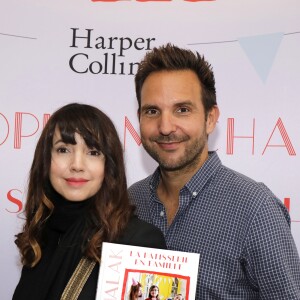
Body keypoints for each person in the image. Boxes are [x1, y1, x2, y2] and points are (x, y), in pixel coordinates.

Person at [128, 43, 300, 299]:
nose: (165, 127)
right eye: (152, 111)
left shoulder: (255, 209)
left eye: (182, 110)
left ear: (210, 118)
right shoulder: (132, 200)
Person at [13, 103, 166, 300]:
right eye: (63, 150)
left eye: (93, 152)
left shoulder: (139, 242)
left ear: (109, 166)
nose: (77, 165)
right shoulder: (40, 235)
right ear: (45, 160)